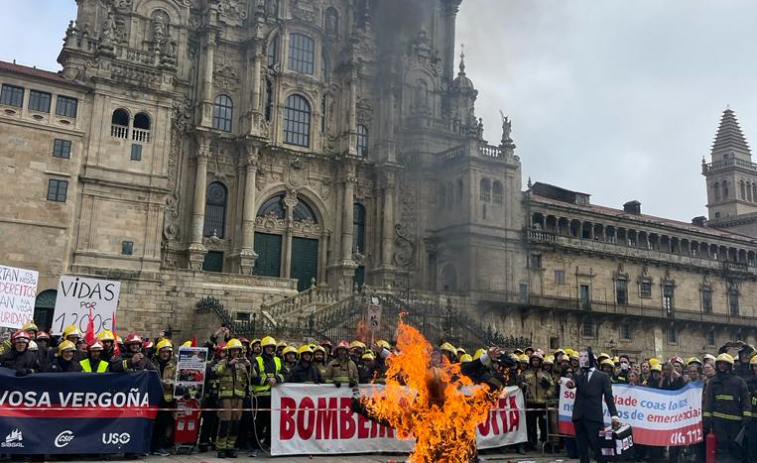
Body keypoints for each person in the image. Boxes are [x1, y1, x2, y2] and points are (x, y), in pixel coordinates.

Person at [565, 348, 619, 463]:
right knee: (582, 449)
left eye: (584, 357)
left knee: (598, 446)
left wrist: (614, 415)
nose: (582, 359)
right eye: (580, 357)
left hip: (594, 416)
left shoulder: (602, 376)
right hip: (579, 415)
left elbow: (609, 396)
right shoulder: (578, 374)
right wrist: (570, 383)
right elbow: (572, 383)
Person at [704, 353, 751, 463]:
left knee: (735, 448)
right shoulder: (713, 382)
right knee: (722, 448)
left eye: (725, 364)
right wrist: (707, 418)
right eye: (720, 363)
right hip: (718, 422)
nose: (722, 366)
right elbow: (709, 401)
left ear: (730, 366)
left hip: (736, 422)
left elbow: (745, 400)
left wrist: (746, 417)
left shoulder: (739, 381)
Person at [214, 338, 251, 458]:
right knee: (225, 422)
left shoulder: (243, 363)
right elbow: (216, 371)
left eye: (237, 350)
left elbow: (253, 376)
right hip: (226, 396)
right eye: (233, 350)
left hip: (239, 396)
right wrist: (227, 364)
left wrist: (249, 367)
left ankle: (230, 447)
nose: (235, 353)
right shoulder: (223, 361)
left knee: (235, 422)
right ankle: (221, 448)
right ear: (229, 351)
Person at [251, 336, 284, 457]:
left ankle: (269, 444)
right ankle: (256, 446)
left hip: (274, 397)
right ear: (264, 348)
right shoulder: (257, 360)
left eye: (272, 347)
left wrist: (277, 378)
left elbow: (286, 374)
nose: (270, 349)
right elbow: (253, 378)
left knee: (272, 423)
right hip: (260, 397)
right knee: (259, 423)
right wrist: (267, 381)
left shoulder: (278, 360)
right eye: (268, 347)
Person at [522, 351, 554, 451]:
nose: (535, 362)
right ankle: (530, 443)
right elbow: (520, 384)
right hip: (530, 403)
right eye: (533, 360)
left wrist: (548, 393)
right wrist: (523, 386)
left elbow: (552, 387)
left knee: (544, 425)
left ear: (540, 362)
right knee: (529, 425)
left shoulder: (546, 374)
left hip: (542, 403)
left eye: (537, 360)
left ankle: (545, 443)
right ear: (531, 361)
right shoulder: (525, 373)